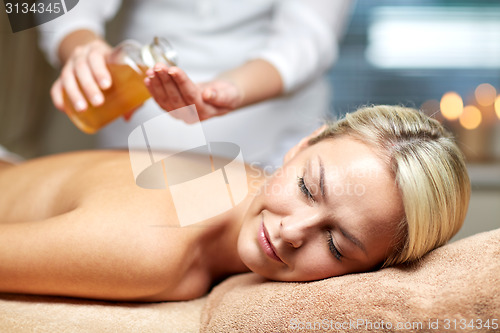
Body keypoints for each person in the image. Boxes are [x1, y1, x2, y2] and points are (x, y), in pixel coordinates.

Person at [0, 105, 470, 301]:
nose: (291, 232)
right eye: (308, 188)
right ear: (303, 144)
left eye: (335, 243)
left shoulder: (237, 180)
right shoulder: (150, 248)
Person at [37, 0, 353, 167]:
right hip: (138, 132)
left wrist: (230, 90)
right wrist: (80, 44)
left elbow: (308, 37)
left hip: (267, 134)